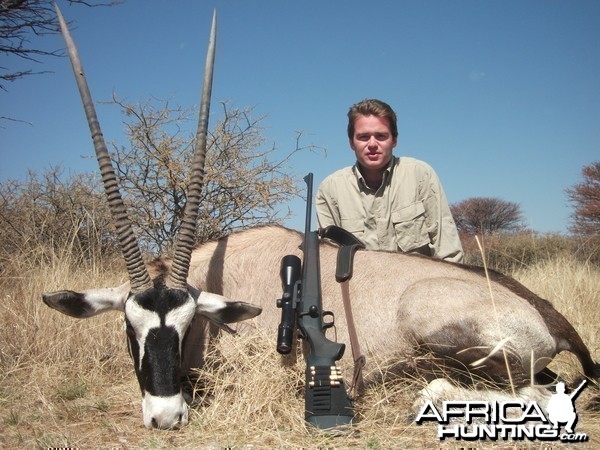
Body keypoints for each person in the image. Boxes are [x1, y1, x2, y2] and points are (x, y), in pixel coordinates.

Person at [316, 98, 463, 263]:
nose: (372, 144)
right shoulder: (330, 189)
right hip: (359, 286)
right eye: (363, 137)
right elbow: (329, 260)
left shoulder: (421, 175)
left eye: (381, 136)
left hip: (419, 285)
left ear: (394, 140)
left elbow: (448, 252)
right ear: (351, 142)